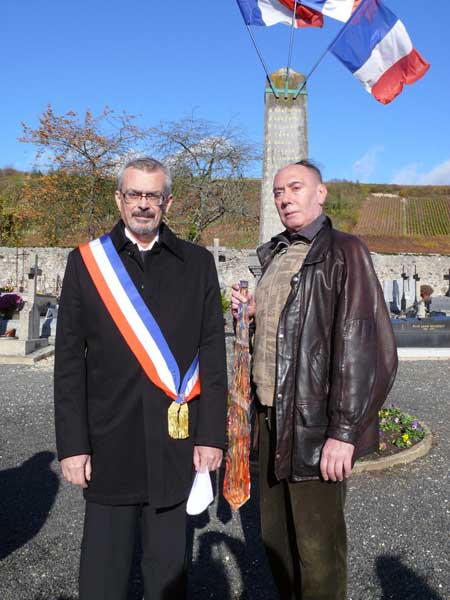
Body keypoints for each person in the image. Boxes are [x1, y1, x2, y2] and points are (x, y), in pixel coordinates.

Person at [54, 157, 227, 599]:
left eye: (153, 195)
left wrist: (211, 436)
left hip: (175, 446)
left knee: (167, 576)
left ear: (168, 201)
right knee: (102, 577)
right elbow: (70, 362)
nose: (143, 204)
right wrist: (73, 446)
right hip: (110, 444)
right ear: (119, 198)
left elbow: (212, 353)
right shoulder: (86, 263)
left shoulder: (198, 263)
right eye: (134, 194)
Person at [231, 160, 398, 600]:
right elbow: (283, 336)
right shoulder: (276, 255)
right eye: (278, 191)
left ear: (321, 193)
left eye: (295, 187)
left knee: (317, 553)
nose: (285, 197)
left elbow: (366, 348)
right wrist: (249, 315)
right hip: (270, 421)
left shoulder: (344, 250)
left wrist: (343, 432)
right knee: (277, 544)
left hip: (315, 428)